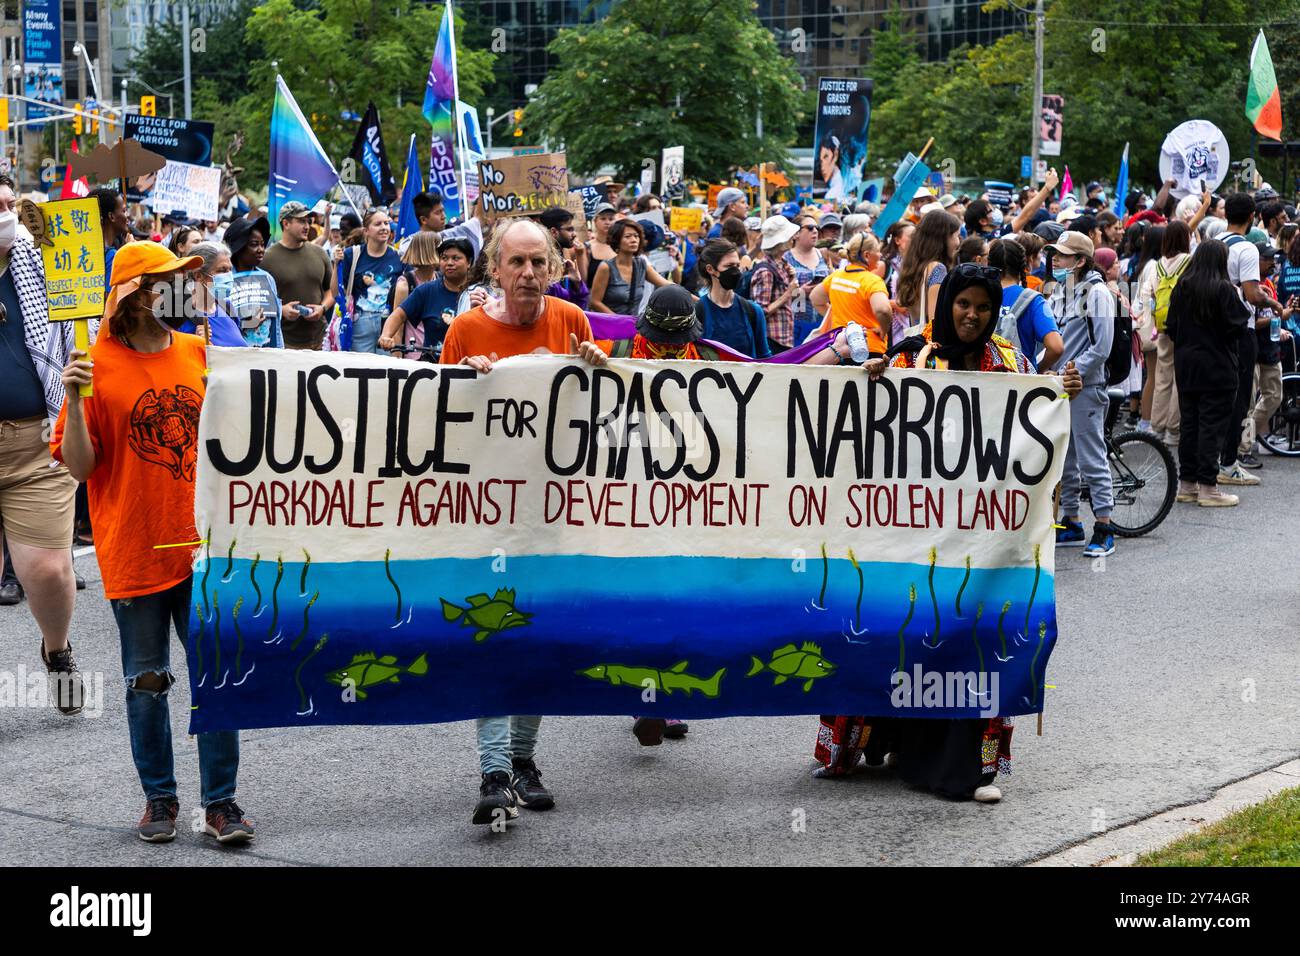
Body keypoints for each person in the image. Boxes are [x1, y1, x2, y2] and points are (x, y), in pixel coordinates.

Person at [816, 264, 1081, 798]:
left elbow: (1035, 416)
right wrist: (871, 375)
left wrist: (1060, 389)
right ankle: (884, 738)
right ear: (947, 305)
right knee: (896, 630)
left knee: (974, 639)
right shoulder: (912, 353)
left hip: (980, 540)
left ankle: (970, 767)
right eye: (964, 305)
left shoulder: (1008, 362)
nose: (972, 316)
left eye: (983, 308)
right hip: (910, 531)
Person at [53, 241, 253, 843]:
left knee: (215, 676)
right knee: (147, 682)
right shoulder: (93, 363)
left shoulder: (202, 352)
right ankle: (159, 802)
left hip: (204, 548)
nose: (191, 289)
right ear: (140, 294)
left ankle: (221, 804)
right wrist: (74, 399)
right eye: (175, 281)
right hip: (134, 548)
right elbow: (81, 468)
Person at [439, 218, 608, 826]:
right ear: (495, 270)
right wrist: (467, 382)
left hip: (552, 511)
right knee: (493, 631)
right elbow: (437, 418)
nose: (529, 274)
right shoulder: (466, 328)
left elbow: (601, 420)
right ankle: (492, 773)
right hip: (485, 511)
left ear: (555, 267)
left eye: (539, 262)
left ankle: (523, 761)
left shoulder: (571, 323)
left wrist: (597, 365)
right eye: (517, 263)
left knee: (536, 634)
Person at [0, 205, 84, 712]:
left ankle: (57, 652)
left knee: (49, 571)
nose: (5, 214)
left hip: (38, 444)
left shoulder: (46, 265)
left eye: (7, 204)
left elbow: (86, 320)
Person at [1166, 240, 1254, 507]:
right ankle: (1208, 487)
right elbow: (1239, 326)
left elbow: (1171, 326)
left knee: (1190, 425)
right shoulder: (1224, 289)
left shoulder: (1182, 287)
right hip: (1217, 366)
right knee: (1212, 427)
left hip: (1187, 365)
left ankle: (1188, 483)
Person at [1046, 231, 1116, 557]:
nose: (1055, 260)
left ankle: (1104, 525)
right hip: (1061, 386)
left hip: (1086, 387)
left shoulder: (1098, 293)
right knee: (1066, 459)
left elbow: (1102, 347)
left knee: (1091, 458)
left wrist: (1072, 372)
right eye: (1055, 254)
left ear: (1080, 261)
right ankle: (1071, 521)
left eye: (1061, 256)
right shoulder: (1060, 291)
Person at [1220, 192, 1284, 486]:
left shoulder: (1213, 243)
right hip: (1240, 329)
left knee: (1217, 398)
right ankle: (1229, 462)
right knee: (1239, 396)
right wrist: (1273, 304)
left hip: (1213, 329)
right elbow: (1251, 292)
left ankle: (1214, 462)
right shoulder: (1246, 249)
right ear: (1252, 217)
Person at [1140, 222, 1192, 446]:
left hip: (1161, 327)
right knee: (1180, 378)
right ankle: (1173, 430)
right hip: (1184, 327)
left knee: (1162, 376)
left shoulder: (1157, 265)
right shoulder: (1189, 262)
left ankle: (1156, 427)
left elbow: (1148, 294)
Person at [379, 236, 472, 359]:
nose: (449, 263)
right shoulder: (426, 291)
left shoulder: (478, 292)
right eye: (444, 258)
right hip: (432, 370)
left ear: (469, 262)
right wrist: (386, 336)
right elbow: (398, 315)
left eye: (456, 258)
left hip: (469, 368)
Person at [1239, 241, 1288, 467]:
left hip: (1271, 350)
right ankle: (1243, 447)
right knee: (1247, 403)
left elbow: (1271, 315)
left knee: (1274, 396)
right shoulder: (1248, 288)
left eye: (1273, 259)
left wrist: (1281, 317)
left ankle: (1245, 438)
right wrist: (1277, 317)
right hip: (1254, 350)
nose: (1272, 263)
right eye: (1267, 258)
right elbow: (1253, 322)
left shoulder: (1268, 284)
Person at [261, 201, 335, 351]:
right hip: (284, 343)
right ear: (286, 223)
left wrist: (322, 308)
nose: (307, 226)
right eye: (301, 221)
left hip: (320, 341)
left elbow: (332, 291)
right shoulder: (266, 258)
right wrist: (281, 310)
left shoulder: (319, 253)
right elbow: (257, 302)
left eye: (309, 221)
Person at [809, 232, 892, 352]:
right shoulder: (872, 281)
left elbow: (815, 298)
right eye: (878, 251)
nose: (880, 255)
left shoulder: (836, 276)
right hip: (868, 348)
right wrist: (884, 329)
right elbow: (883, 310)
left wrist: (837, 315)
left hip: (838, 348)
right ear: (867, 255)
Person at [988, 238, 1062, 370]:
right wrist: (1036, 370)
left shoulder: (979, 297)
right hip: (1021, 384)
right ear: (1024, 266)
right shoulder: (1034, 301)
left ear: (989, 265)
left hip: (983, 380)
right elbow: (1056, 347)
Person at [337, 208, 404, 354]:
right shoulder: (352, 254)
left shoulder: (399, 257)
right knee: (360, 371)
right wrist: (336, 264)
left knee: (386, 372)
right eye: (378, 224)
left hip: (389, 324)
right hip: (360, 323)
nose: (384, 228)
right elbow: (336, 291)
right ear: (366, 230)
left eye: (386, 223)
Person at [693, 239, 771, 358]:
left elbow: (765, 358)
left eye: (737, 266)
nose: (735, 271)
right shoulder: (698, 312)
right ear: (710, 269)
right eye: (729, 266)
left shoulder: (753, 311)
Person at [218, 216, 282, 348]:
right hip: (234, 357)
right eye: (254, 244)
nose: (261, 249)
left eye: (263, 244)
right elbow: (218, 324)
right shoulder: (223, 281)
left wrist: (280, 353)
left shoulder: (268, 279)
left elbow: (276, 326)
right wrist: (247, 324)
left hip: (267, 359)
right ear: (238, 248)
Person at [588, 219, 670, 315]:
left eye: (636, 236)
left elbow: (667, 284)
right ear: (617, 240)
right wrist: (619, 321)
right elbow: (594, 302)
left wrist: (690, 297)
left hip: (632, 326)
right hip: (609, 326)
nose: (634, 240)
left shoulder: (642, 264)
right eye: (628, 236)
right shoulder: (606, 267)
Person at [895, 209, 960, 328]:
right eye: (956, 236)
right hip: (929, 342)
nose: (958, 242)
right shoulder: (937, 268)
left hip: (916, 341)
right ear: (943, 238)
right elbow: (935, 321)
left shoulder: (914, 265)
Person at [748, 215, 803, 351]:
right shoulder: (765, 271)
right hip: (771, 340)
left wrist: (792, 279)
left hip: (784, 337)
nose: (794, 237)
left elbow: (795, 298)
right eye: (790, 235)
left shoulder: (783, 265)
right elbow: (760, 311)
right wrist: (788, 292)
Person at [183, 241, 244, 346]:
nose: (229, 276)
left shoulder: (227, 307)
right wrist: (195, 342)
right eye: (222, 270)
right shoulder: (181, 318)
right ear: (198, 276)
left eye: (230, 270)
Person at [785, 214, 831, 345]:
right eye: (810, 228)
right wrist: (800, 292)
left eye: (816, 227)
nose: (815, 231)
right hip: (796, 323)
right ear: (795, 234)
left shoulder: (822, 254)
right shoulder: (786, 258)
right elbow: (779, 295)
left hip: (822, 322)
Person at [538, 206, 590, 309]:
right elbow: (555, 302)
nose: (574, 234)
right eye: (569, 229)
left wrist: (577, 283)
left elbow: (580, 306)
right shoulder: (542, 261)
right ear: (553, 232)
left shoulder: (562, 259)